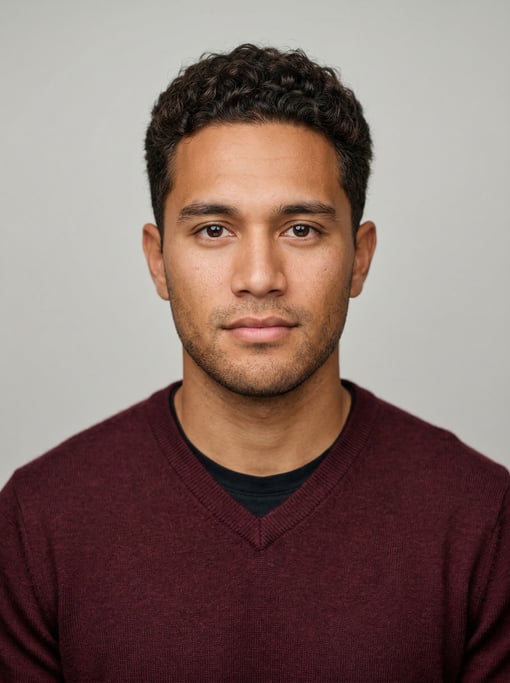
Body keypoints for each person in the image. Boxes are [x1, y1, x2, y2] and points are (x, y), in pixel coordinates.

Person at [0, 44, 508, 682]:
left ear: (360, 256)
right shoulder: (38, 521)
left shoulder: (483, 519)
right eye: (214, 229)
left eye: (301, 229)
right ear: (158, 260)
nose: (260, 277)